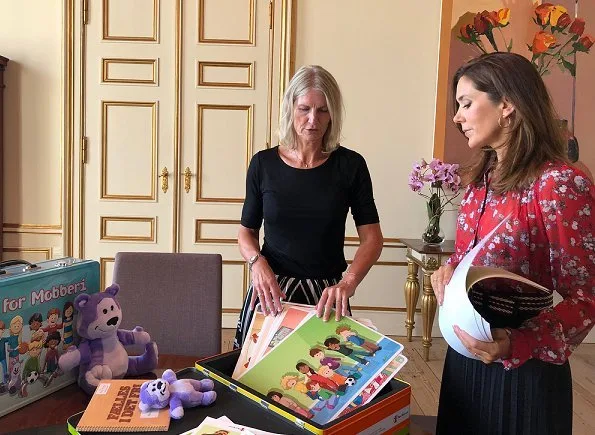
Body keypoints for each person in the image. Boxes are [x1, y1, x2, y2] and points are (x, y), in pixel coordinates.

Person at [431, 52, 594, 434]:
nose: (457, 117)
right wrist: (449, 273)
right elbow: (465, 261)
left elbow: (586, 297)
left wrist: (517, 344)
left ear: (507, 104)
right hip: (463, 367)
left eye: (466, 104)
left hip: (523, 374)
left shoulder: (558, 184)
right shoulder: (477, 183)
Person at [234, 65, 383, 349]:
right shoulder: (263, 164)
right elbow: (246, 233)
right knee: (254, 380)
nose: (313, 120)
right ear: (290, 108)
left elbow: (373, 239)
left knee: (324, 383)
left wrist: (348, 282)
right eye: (304, 109)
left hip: (327, 294)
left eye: (323, 111)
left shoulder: (351, 166)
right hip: (271, 290)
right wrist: (257, 262)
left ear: (333, 114)